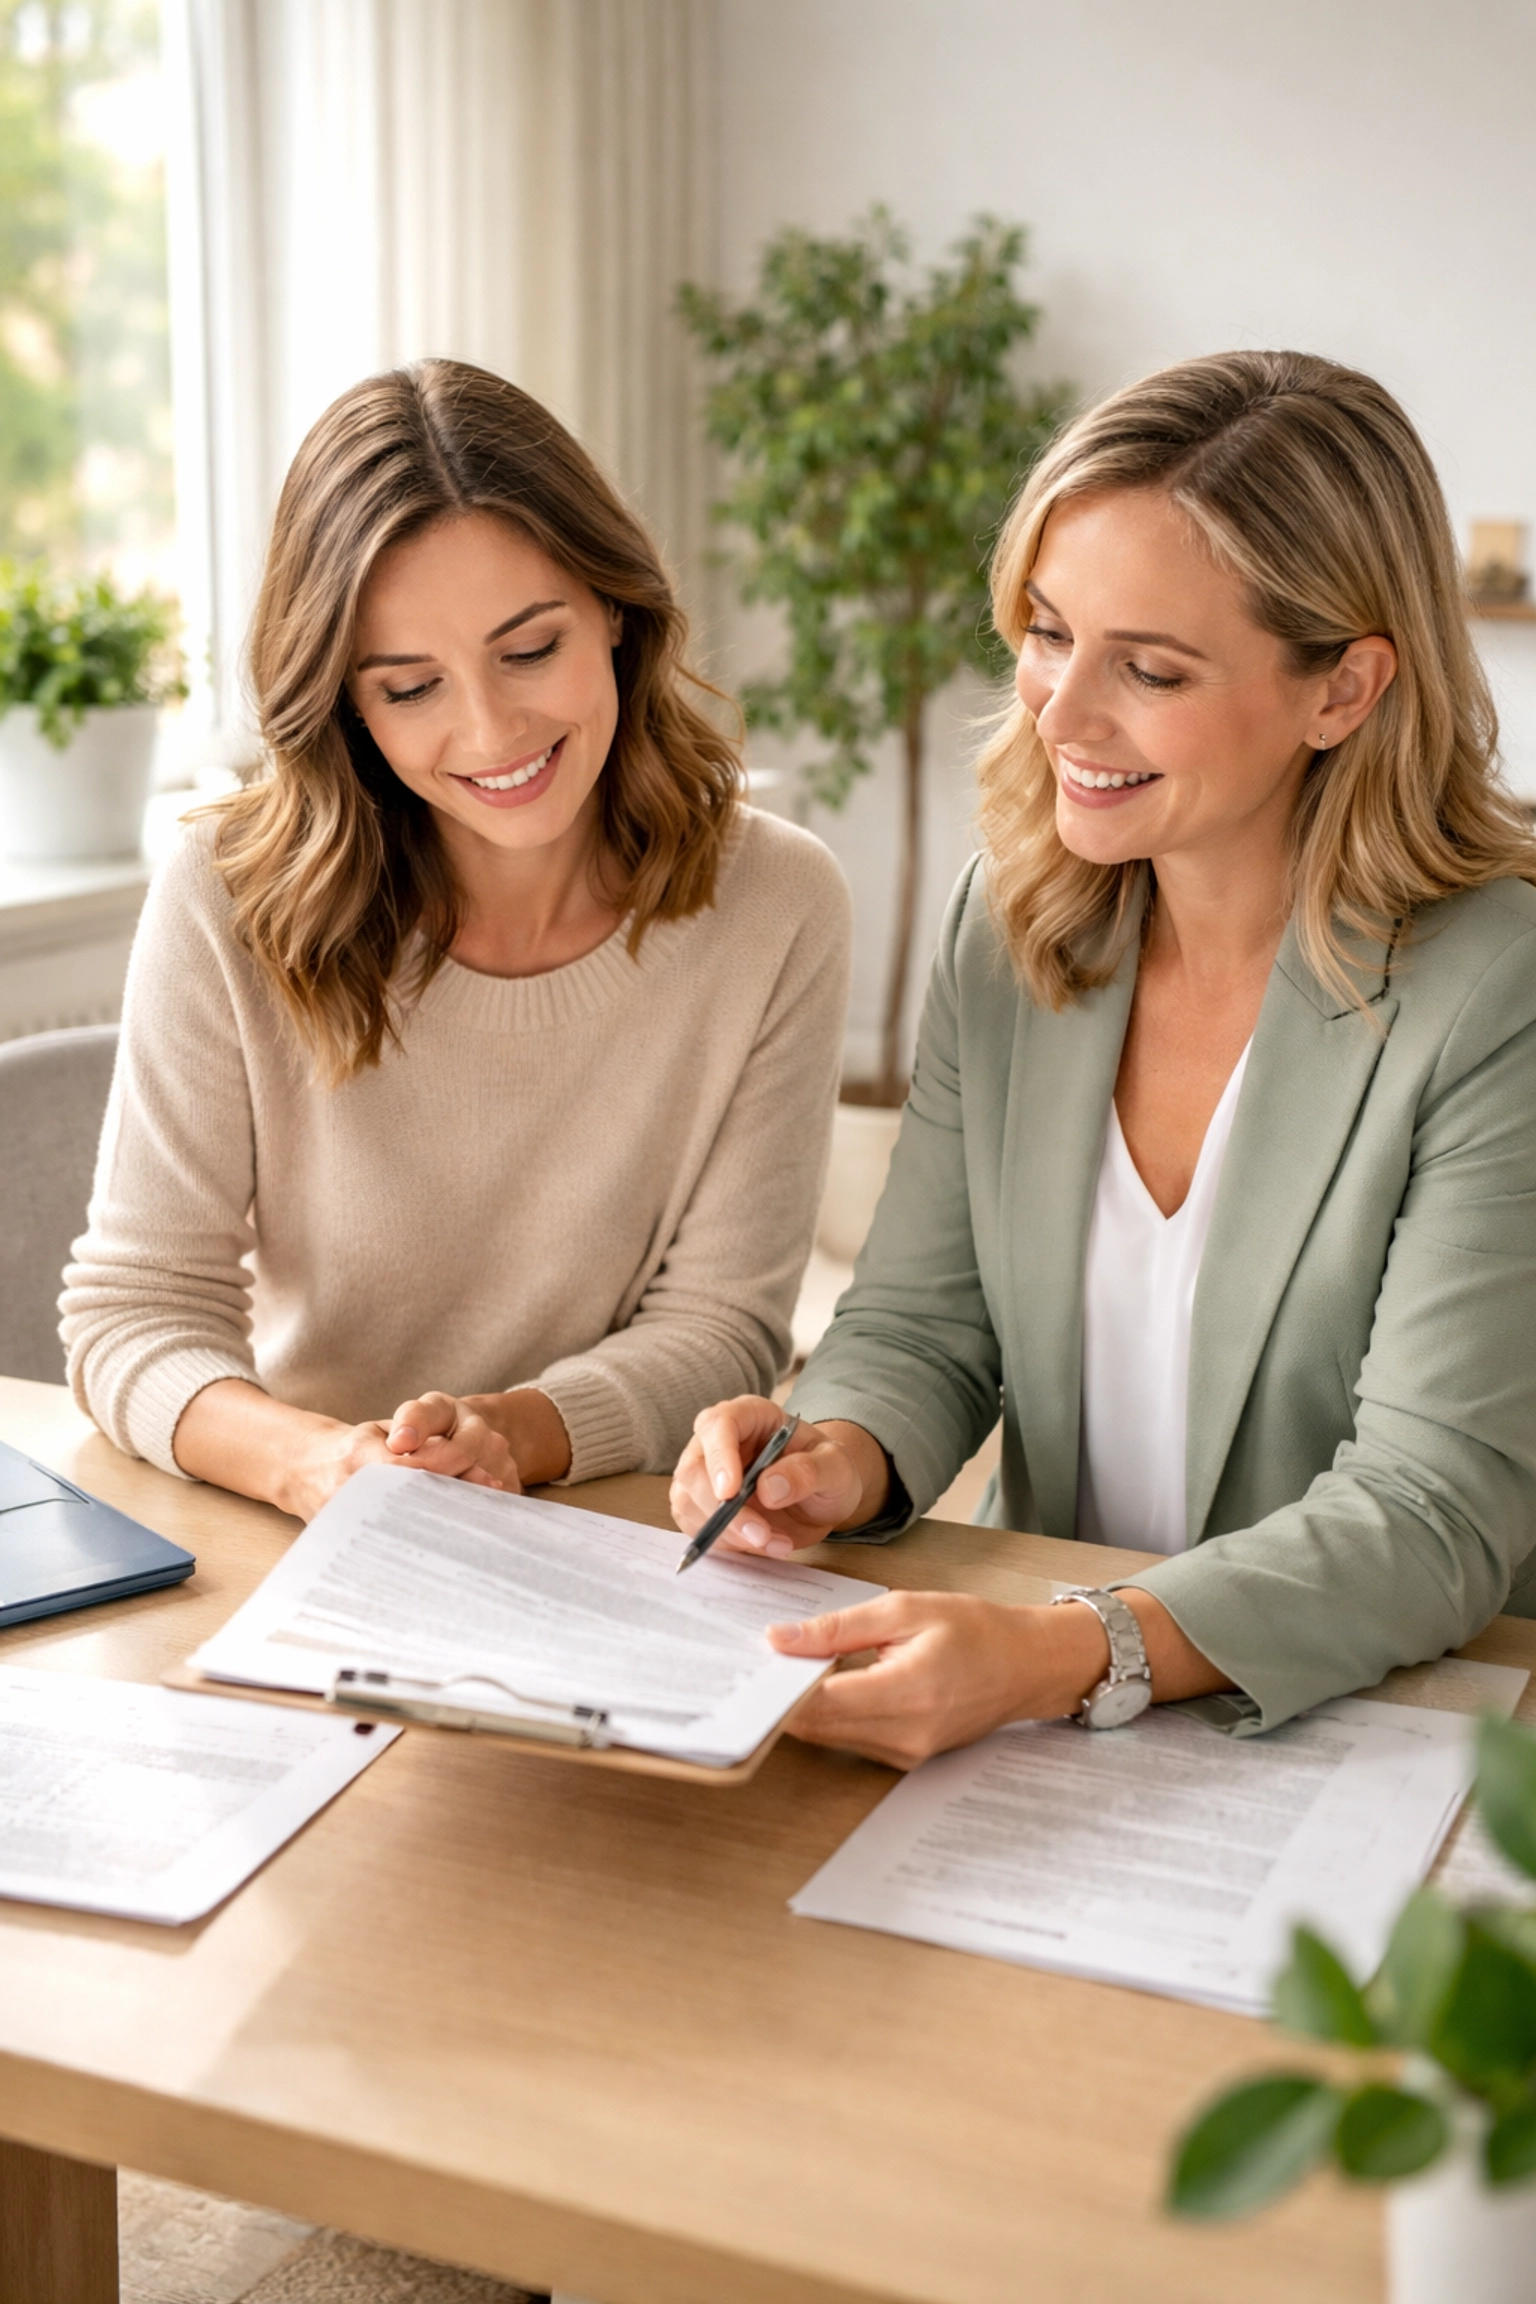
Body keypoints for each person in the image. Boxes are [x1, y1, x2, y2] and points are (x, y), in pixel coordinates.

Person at [672, 348, 1536, 1769]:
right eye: (1050, 632)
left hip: (1362, 1731)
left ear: (1343, 690)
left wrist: (1071, 1650)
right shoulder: (1011, 922)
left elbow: (1432, 1511)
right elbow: (918, 1328)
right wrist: (834, 1450)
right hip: (1038, 1721)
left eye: (1150, 668)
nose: (1061, 713)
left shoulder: (1495, 987)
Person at [63, 360, 849, 1521]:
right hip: (284, 1526)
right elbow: (134, 1312)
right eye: (410, 686)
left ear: (618, 613)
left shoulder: (777, 900)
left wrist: (509, 1439)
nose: (491, 730)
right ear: (345, 705)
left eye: (530, 650)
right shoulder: (225, 898)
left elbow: (724, 1326)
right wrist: (323, 1466)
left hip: (598, 1523)